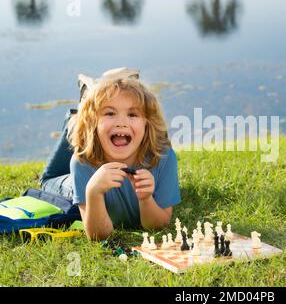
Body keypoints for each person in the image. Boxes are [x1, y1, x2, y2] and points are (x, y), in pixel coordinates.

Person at [40, 68, 181, 240]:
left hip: (140, 134)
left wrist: (147, 199)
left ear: (146, 123)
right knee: (51, 175)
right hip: (86, 154)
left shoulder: (163, 157)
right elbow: (97, 235)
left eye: (132, 114)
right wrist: (93, 192)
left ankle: (101, 98)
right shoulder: (82, 163)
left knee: (155, 135)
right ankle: (84, 103)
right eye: (110, 113)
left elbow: (159, 224)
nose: (121, 123)